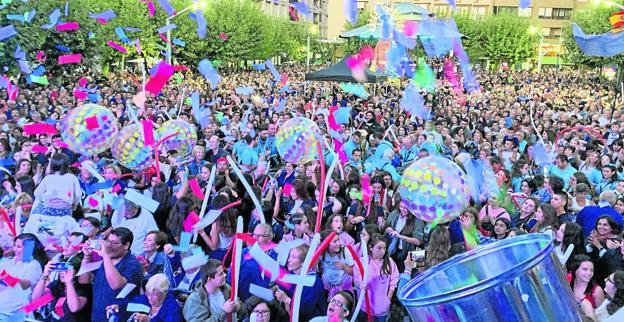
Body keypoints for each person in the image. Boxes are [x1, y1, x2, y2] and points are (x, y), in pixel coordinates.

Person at [78, 227, 143, 322]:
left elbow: (116, 285)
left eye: (114, 243)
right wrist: (87, 256)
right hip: (97, 316)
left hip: (119, 317)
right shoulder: (105, 260)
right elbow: (84, 280)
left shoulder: (132, 263)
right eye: (108, 241)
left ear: (126, 245)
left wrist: (105, 255)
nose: (109, 245)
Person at [274, 244, 326, 321]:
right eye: (290, 256)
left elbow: (307, 308)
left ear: (303, 262)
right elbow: (281, 290)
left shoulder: (312, 281)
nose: (288, 260)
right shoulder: (291, 275)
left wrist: (287, 300)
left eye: (293, 257)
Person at [353, 233, 398, 321]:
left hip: (382, 308)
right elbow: (356, 281)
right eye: (379, 248)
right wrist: (360, 285)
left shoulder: (389, 262)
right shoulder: (362, 262)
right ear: (370, 247)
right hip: (365, 306)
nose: (383, 251)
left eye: (384, 248)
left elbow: (394, 281)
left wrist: (387, 300)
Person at [0, 233, 46, 318]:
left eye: (18, 247)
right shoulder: (8, 262)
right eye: (14, 246)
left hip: (12, 314)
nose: (14, 249)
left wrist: (7, 277)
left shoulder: (33, 265)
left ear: (29, 248)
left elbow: (25, 285)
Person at [32, 257, 90, 321]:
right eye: (61, 268)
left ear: (75, 272)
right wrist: (45, 275)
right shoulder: (57, 284)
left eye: (67, 269)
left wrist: (69, 282)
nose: (63, 272)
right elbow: (37, 299)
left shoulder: (83, 287)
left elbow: (74, 308)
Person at [106, 273, 182, 322]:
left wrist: (149, 320)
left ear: (164, 292)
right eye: (148, 293)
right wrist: (117, 307)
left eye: (154, 294)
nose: (149, 297)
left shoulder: (172, 307)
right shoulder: (144, 299)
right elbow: (127, 306)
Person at [569, 255, 605, 320]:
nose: (589, 273)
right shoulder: (568, 279)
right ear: (575, 270)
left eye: (592, 270)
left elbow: (602, 317)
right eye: (585, 269)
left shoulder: (597, 291)